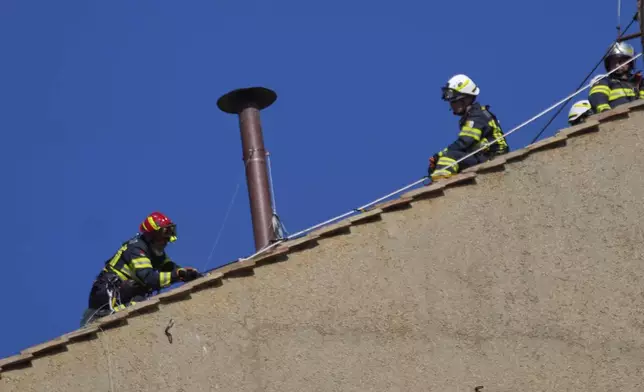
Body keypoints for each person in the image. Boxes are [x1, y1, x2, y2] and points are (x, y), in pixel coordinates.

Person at [81, 212, 201, 326]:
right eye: (163, 233)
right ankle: (100, 317)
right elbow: (149, 278)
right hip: (107, 295)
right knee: (140, 297)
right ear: (151, 236)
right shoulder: (137, 249)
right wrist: (177, 275)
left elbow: (170, 268)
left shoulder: (156, 252)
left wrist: (189, 275)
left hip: (124, 293)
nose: (166, 239)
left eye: (170, 232)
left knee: (141, 299)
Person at [428, 74, 510, 181]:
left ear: (466, 99)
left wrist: (439, 155)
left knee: (449, 157)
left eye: (454, 101)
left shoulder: (477, 116)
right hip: (483, 157)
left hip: (493, 158)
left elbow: (464, 143)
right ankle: (441, 182)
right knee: (445, 161)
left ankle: (440, 185)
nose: (451, 105)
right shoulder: (471, 117)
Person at [588, 41, 643, 114]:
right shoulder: (604, 81)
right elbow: (598, 98)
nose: (617, 65)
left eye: (620, 61)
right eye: (613, 62)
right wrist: (606, 112)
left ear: (630, 62)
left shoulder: (639, 82)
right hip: (617, 118)